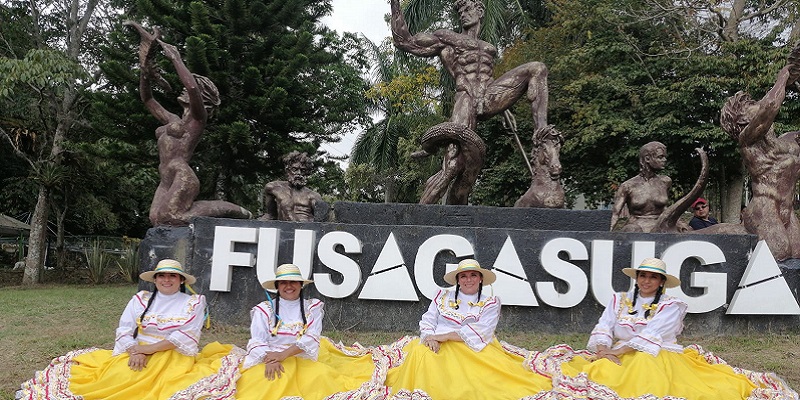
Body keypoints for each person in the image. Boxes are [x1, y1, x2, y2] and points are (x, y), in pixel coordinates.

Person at [549, 257, 798, 399]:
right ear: (637, 278)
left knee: (648, 379)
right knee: (594, 377)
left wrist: (617, 353)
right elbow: (604, 326)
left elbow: (650, 336)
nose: (647, 281)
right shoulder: (619, 299)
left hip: (655, 356)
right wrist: (604, 351)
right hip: (614, 355)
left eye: (653, 277)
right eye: (643, 276)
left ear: (661, 283)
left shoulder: (671, 305)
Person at [18, 259, 236, 399]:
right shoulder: (141, 299)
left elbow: (182, 336)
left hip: (172, 356)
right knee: (115, 379)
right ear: (156, 279)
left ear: (180, 280)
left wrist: (145, 351)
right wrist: (134, 350)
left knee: (160, 388)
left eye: (172, 276)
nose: (166, 280)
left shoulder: (194, 303)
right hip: (135, 352)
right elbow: (124, 328)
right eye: (162, 275)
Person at [127, 22, 252, 227]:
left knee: (172, 217)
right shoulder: (172, 120)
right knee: (156, 219)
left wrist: (176, 58)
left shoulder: (197, 119)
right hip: (165, 178)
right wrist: (145, 72)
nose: (184, 89)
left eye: (190, 88)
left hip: (181, 175)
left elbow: (192, 87)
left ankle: (229, 209)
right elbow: (148, 100)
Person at [378, 259, 553, 399]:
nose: (468, 280)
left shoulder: (490, 303)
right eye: (463, 276)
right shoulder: (442, 296)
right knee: (419, 352)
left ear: (480, 279)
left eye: (473, 275)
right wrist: (430, 337)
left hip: (472, 348)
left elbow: (481, 331)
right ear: (457, 280)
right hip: (436, 343)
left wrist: (444, 336)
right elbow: (428, 320)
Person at [234, 263, 378, 399]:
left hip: (300, 357)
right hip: (268, 358)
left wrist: (283, 355)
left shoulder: (311, 308)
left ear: (301, 285)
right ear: (277, 286)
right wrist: (270, 360)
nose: (288, 286)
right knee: (267, 382)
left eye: (293, 282)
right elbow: (258, 340)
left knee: (320, 379)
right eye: (284, 283)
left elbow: (311, 338)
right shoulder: (264, 310)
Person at [719, 45, 800, 260]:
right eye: (753, 105)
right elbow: (770, 106)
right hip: (764, 209)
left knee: (797, 254)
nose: (760, 105)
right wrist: (786, 74)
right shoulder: (748, 141)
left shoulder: (789, 141)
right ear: (744, 122)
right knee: (779, 252)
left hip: (787, 211)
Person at [610, 141, 671, 232]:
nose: (664, 160)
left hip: (659, 226)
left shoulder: (665, 182)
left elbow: (665, 209)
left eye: (664, 157)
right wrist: (610, 235)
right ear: (647, 159)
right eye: (660, 157)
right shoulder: (628, 186)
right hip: (637, 227)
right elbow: (615, 214)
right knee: (634, 229)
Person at [259, 151, 323, 221]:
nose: (299, 173)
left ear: (307, 173)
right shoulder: (274, 188)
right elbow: (271, 215)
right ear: (287, 170)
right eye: (294, 169)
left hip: (305, 229)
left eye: (303, 170)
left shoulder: (313, 196)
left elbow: (320, 221)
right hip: (282, 228)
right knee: (285, 203)